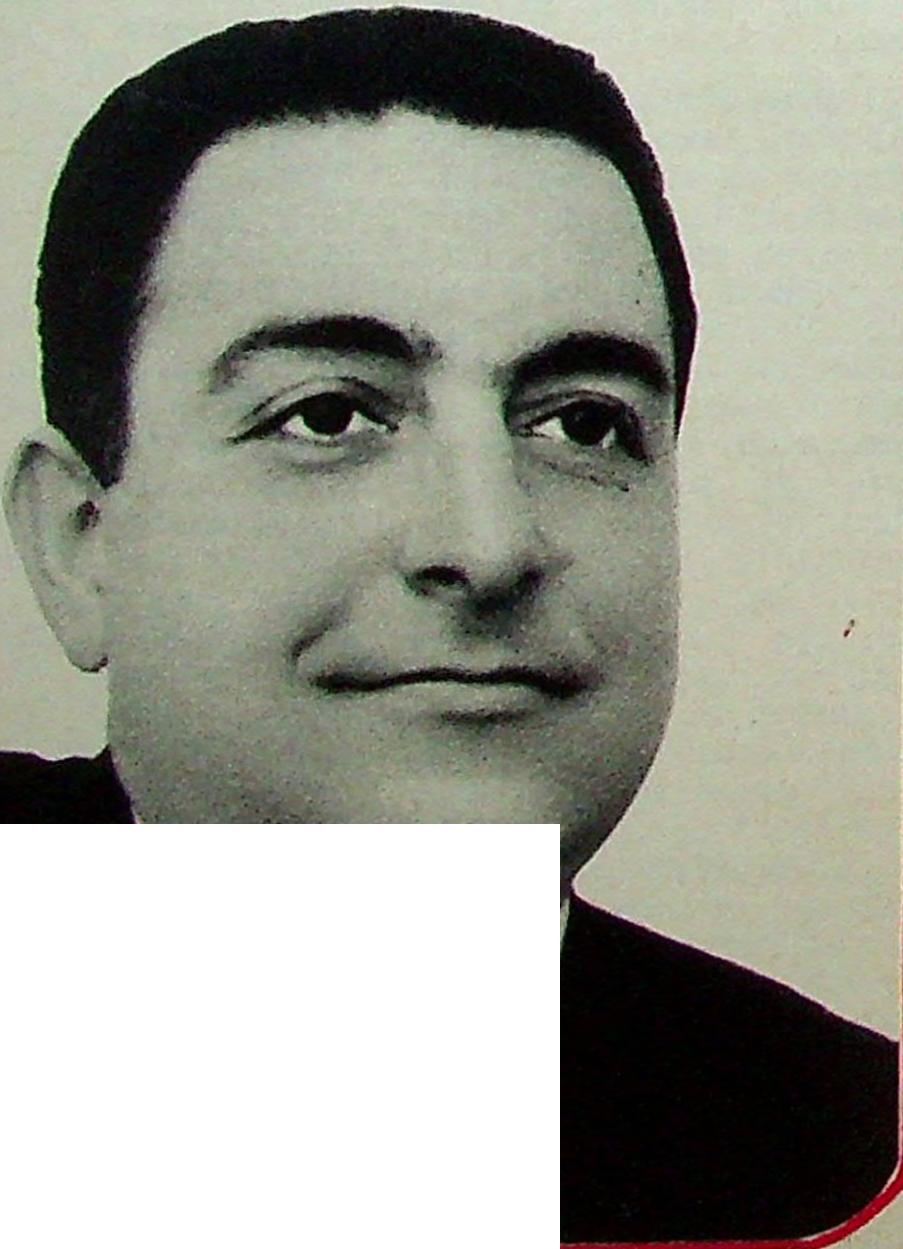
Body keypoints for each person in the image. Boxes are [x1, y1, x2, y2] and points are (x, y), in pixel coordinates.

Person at [0, 8, 897, 1240]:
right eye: (328, 415)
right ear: (78, 542)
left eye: (582, 423)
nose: (488, 543)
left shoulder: (846, 1153)